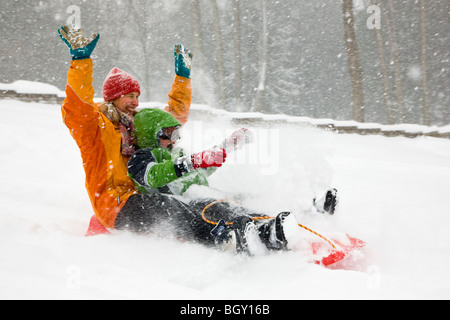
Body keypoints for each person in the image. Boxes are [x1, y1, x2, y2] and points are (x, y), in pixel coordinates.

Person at [121, 108, 338, 254]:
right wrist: (191, 162)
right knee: (224, 211)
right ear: (151, 134)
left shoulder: (175, 153)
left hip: (203, 193)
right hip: (188, 203)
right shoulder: (141, 157)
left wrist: (226, 147)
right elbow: (152, 176)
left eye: (176, 134)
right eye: (168, 134)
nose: (174, 140)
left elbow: (200, 173)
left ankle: (304, 208)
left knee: (244, 198)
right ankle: (265, 234)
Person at [58, 25, 193, 229]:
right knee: (175, 210)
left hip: (143, 195)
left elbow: (172, 120)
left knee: (192, 201)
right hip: (115, 203)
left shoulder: (137, 124)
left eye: (137, 96)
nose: (136, 102)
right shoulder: (96, 127)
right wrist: (81, 62)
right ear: (114, 97)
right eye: (130, 96)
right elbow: (77, 107)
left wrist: (182, 79)